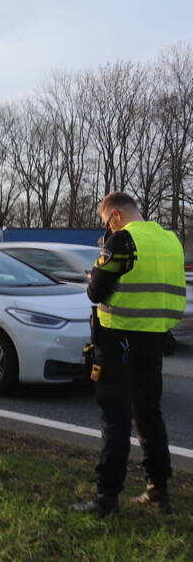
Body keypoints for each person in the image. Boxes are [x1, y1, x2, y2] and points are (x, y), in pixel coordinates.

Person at [72, 192, 184, 516]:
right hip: (153, 341)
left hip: (117, 342)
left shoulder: (122, 241)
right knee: (149, 415)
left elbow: (96, 291)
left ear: (116, 216)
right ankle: (158, 490)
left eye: (106, 222)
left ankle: (106, 498)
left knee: (116, 420)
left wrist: (96, 267)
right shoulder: (170, 241)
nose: (107, 228)